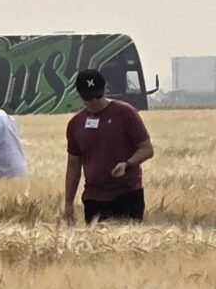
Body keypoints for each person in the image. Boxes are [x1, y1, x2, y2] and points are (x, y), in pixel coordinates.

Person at [62, 69, 154, 222]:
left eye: (98, 95)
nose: (94, 101)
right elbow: (73, 164)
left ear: (105, 89)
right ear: (79, 95)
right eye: (88, 97)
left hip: (127, 194)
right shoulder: (75, 124)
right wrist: (68, 202)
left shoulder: (126, 113)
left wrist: (127, 164)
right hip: (93, 197)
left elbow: (147, 149)